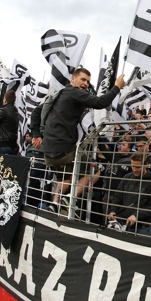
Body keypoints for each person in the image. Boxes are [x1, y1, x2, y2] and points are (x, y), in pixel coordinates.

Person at [39, 67, 125, 203]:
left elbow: (37, 112)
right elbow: (100, 102)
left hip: (48, 151)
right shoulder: (74, 93)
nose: (86, 84)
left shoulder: (61, 93)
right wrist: (117, 87)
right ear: (73, 79)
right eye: (83, 79)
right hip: (64, 150)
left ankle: (55, 204)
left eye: (88, 82)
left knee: (66, 178)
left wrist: (35, 134)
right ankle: (68, 200)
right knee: (94, 171)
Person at [107, 152, 151, 237]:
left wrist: (137, 215)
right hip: (123, 225)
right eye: (132, 166)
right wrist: (113, 210)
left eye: (138, 167)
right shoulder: (127, 177)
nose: (134, 169)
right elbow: (117, 196)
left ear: (146, 165)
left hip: (142, 229)